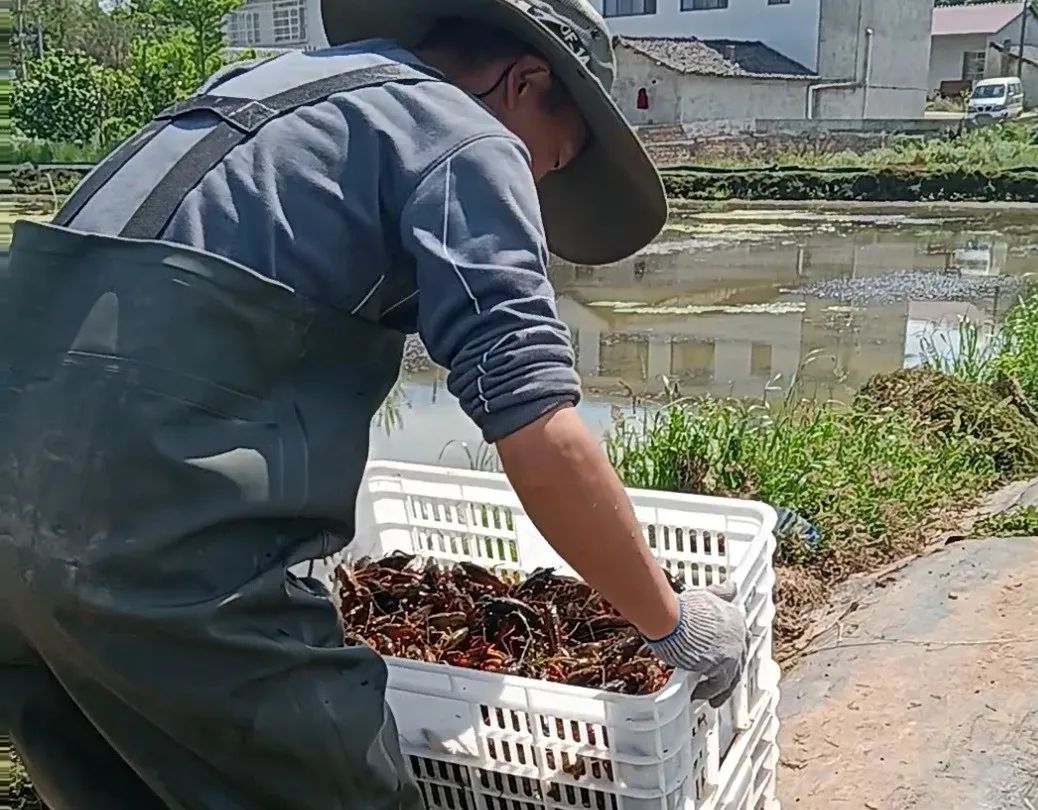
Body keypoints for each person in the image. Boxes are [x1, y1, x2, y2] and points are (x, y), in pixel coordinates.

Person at [0, 0, 750, 807]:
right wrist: (668, 620)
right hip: (159, 547)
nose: (535, 181)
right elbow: (538, 426)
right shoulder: (464, 134)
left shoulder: (262, 90)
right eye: (551, 161)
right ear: (525, 81)